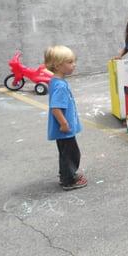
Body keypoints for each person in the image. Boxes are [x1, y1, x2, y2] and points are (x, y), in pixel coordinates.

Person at [44, 45, 87, 191]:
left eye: (73, 61)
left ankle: (65, 176)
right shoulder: (60, 86)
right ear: (57, 65)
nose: (74, 65)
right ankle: (69, 180)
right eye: (70, 62)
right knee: (71, 154)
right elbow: (55, 108)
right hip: (64, 128)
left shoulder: (55, 81)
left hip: (63, 128)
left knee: (65, 153)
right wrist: (63, 123)